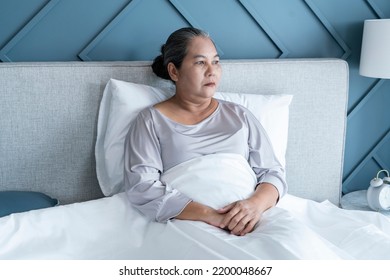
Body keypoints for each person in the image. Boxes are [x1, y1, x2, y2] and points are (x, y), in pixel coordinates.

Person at [123, 27, 287, 236]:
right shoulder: (150, 121)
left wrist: (254, 205)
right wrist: (212, 216)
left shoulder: (240, 116)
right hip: (189, 223)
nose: (212, 71)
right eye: (201, 62)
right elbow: (143, 187)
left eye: (216, 61)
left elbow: (272, 173)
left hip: (256, 219)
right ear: (174, 71)